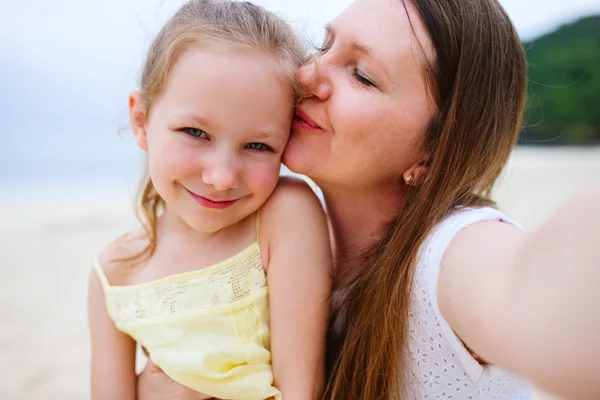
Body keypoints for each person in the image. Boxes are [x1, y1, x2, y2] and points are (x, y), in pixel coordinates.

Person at [137, 0, 600, 399]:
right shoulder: (282, 243)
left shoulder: (450, 252)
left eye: (361, 75)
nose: (307, 74)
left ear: (435, 151)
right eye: (323, 46)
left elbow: (528, 295)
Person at [87, 1, 331, 399]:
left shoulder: (284, 216)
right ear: (141, 122)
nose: (221, 178)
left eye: (257, 145)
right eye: (194, 132)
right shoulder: (113, 274)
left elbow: (302, 391)